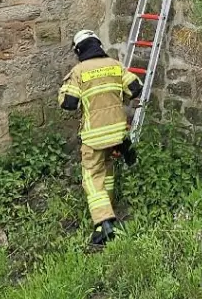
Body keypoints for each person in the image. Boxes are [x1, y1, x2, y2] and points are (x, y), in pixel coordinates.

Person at [58, 30, 141, 248]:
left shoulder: (79, 71)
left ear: (78, 50)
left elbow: (68, 103)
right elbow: (135, 88)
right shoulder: (115, 65)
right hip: (117, 134)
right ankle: (109, 206)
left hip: (94, 137)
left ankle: (104, 223)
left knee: (92, 177)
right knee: (108, 172)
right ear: (98, 44)